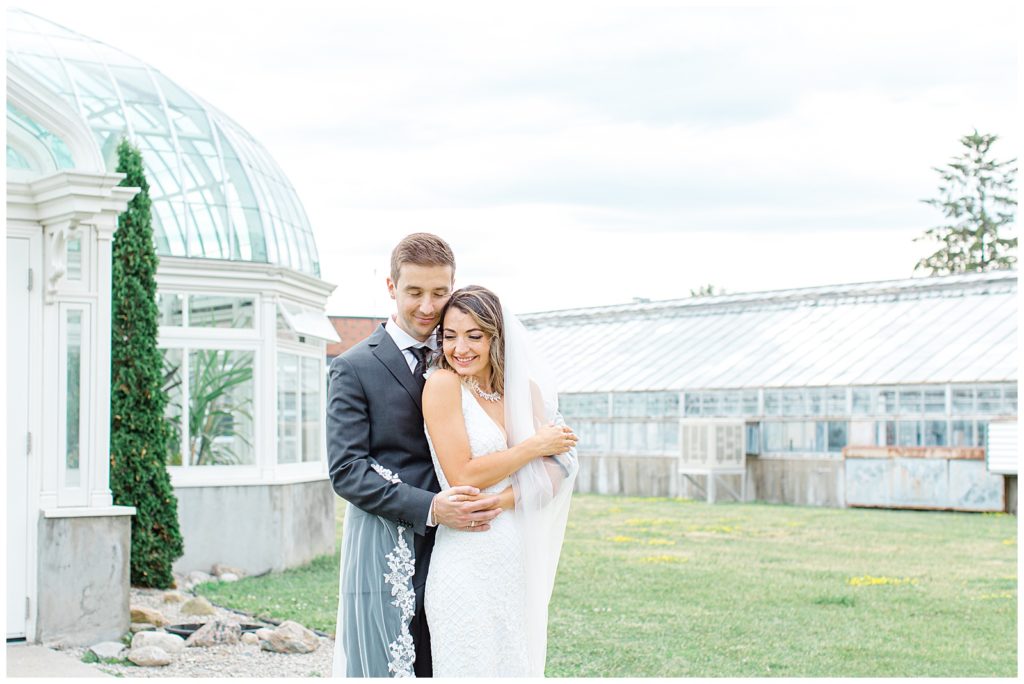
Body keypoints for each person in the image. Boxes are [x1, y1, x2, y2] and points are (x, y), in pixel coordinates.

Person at [328, 234, 507, 678]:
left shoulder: (466, 357)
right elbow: (347, 471)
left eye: (439, 293)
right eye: (414, 292)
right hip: (388, 550)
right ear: (391, 286)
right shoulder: (353, 367)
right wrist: (431, 507)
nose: (428, 306)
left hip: (466, 552)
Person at [423, 285, 580, 677]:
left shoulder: (524, 393)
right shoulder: (443, 385)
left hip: (513, 551)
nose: (460, 348)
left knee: (513, 664)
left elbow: (559, 467)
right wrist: (533, 446)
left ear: (496, 337)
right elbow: (463, 474)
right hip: (464, 555)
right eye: (450, 336)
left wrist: (507, 500)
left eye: (474, 336)